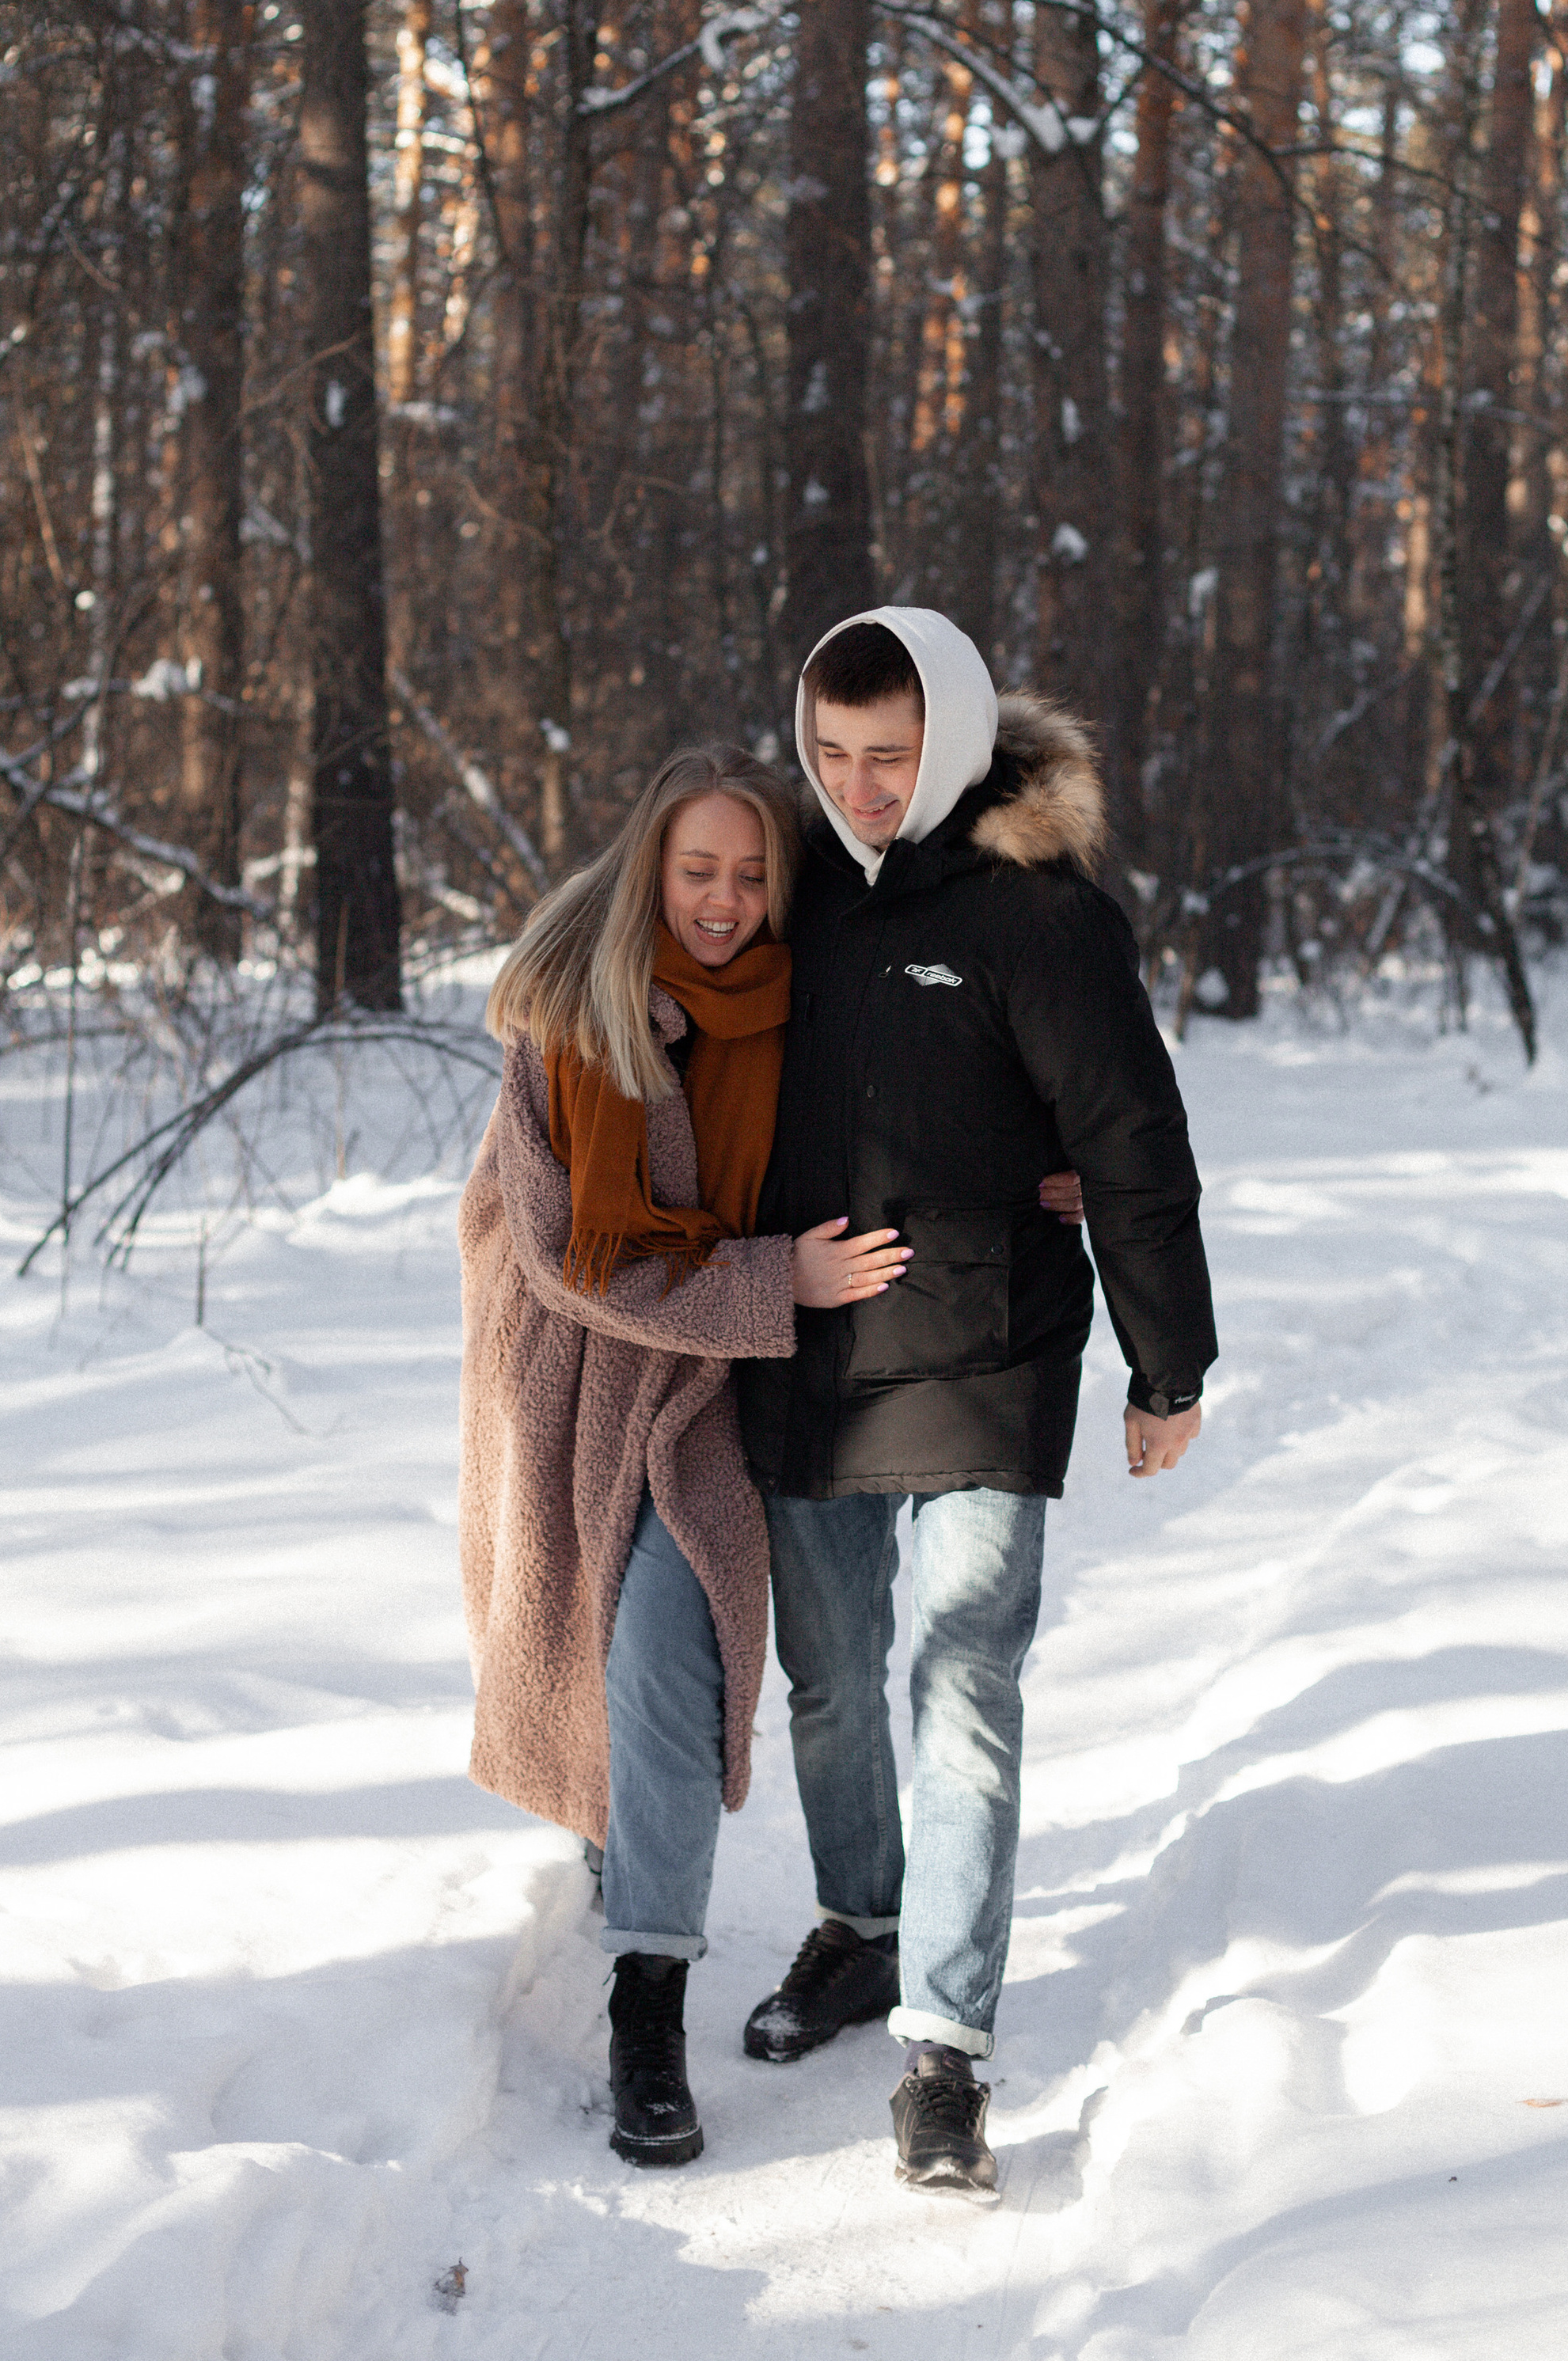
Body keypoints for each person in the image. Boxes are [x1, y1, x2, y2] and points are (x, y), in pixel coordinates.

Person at [738, 609, 1219, 2203]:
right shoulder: (780, 885)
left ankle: (941, 2047)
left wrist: (1166, 1367)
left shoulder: (1034, 915)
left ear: (944, 743)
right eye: (830, 756)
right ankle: (856, 1922)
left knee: (961, 1694)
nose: (858, 787)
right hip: (806, 1357)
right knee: (823, 1684)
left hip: (989, 1353)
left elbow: (1131, 1141)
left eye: (888, 758)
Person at [457, 746, 909, 2169]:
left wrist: (1054, 1170)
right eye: (697, 870)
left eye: (751, 873)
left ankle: (667, 1954)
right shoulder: (562, 1007)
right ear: (652, 862)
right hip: (589, 1375)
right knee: (643, 1649)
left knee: (676, 1653)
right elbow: (563, 1256)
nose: (722, 902)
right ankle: (647, 2011)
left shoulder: (809, 1005)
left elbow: (924, 1111)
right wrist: (775, 1283)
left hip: (731, 1382)